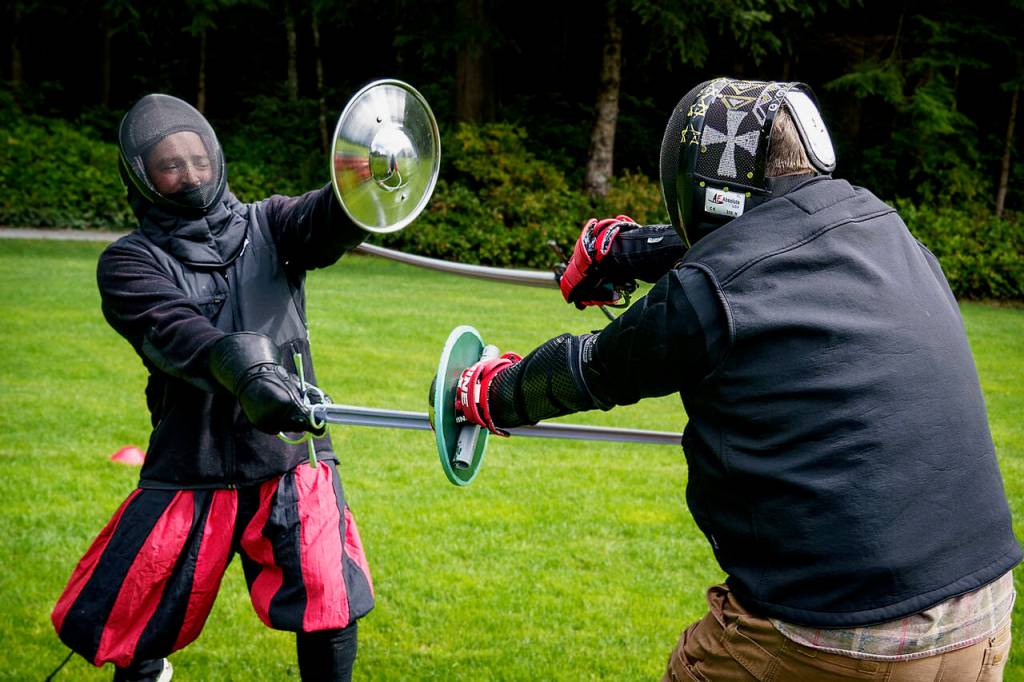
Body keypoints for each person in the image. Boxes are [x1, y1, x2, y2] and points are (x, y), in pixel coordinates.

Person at [453, 78, 1020, 680]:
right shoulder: (886, 230)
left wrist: (490, 392)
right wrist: (627, 250)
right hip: (983, 614)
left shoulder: (707, 292)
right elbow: (761, 241)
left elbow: (595, 369)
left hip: (831, 628)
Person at [51, 93, 374, 682]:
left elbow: (325, 220)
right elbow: (177, 332)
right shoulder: (129, 262)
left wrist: (362, 188)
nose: (190, 174)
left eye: (197, 160)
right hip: (191, 460)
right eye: (169, 166)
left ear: (217, 158)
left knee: (329, 601)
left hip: (287, 461)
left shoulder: (270, 224)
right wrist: (251, 371)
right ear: (142, 177)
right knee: (135, 612)